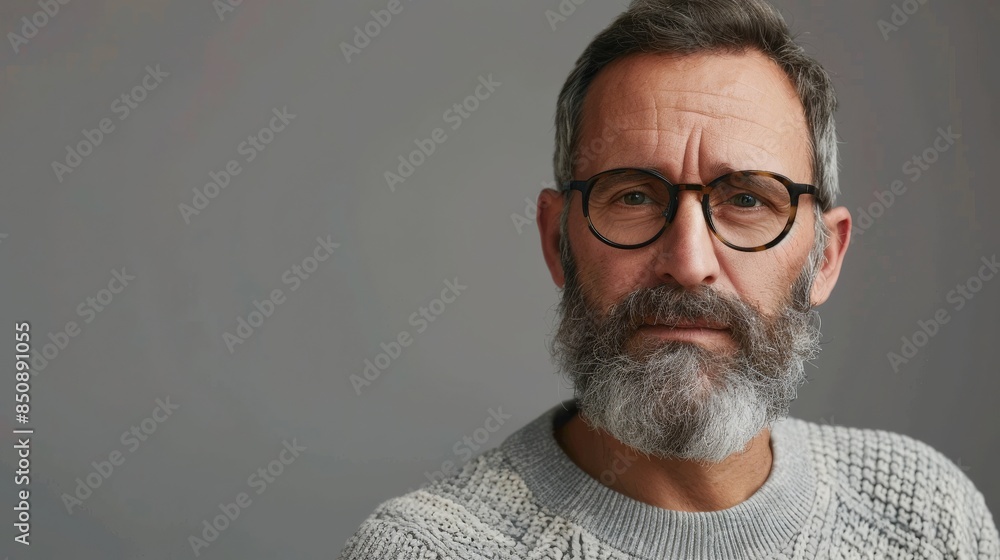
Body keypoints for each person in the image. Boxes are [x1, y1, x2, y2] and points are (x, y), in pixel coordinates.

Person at [339, 0, 1000, 557]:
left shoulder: (926, 516)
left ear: (824, 257)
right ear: (555, 239)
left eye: (745, 199)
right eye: (632, 196)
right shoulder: (429, 549)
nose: (687, 262)